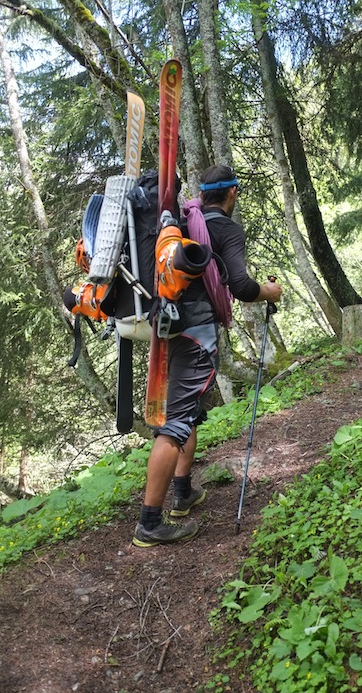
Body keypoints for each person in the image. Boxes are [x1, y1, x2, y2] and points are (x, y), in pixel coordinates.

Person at [133, 165, 282, 547]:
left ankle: (182, 492)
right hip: (195, 331)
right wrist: (268, 292)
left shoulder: (184, 220)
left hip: (167, 324)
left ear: (202, 193)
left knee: (190, 410)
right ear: (232, 193)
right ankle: (149, 523)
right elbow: (242, 286)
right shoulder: (225, 228)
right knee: (176, 422)